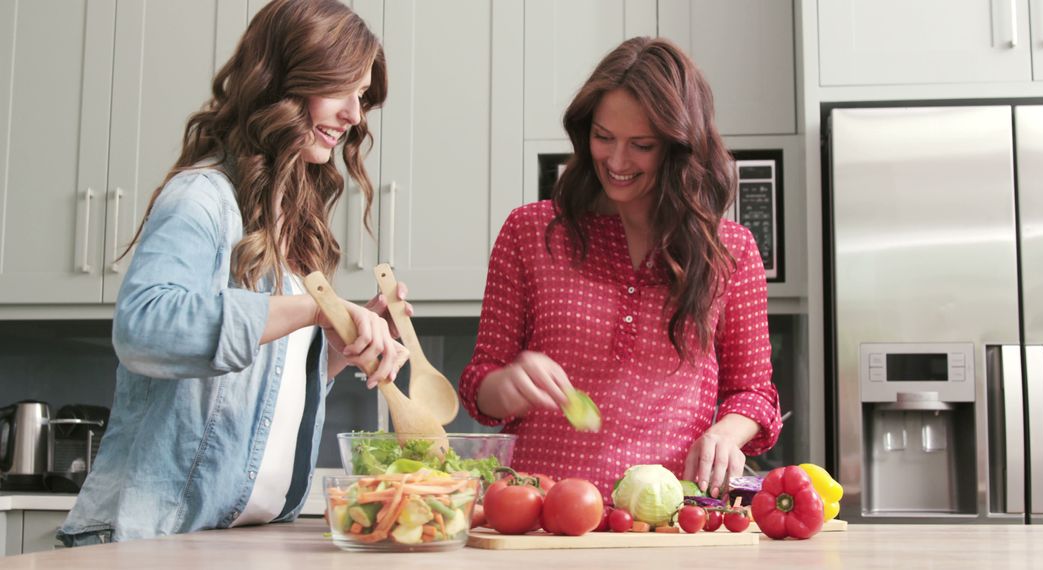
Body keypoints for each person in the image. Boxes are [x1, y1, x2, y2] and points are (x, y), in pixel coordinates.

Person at [59, 0, 407, 545]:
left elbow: (261, 386)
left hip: (236, 537)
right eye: (341, 89)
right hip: (152, 539)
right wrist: (314, 309)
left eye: (362, 97)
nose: (354, 115)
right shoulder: (201, 198)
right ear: (286, 80)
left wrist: (336, 347)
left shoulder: (285, 226)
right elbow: (143, 327)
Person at [460, 37, 781, 501]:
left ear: (679, 147)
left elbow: (753, 394)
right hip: (539, 512)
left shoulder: (730, 251)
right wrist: (504, 385)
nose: (616, 161)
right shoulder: (529, 231)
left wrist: (727, 434)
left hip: (667, 516)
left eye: (642, 145)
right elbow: (478, 385)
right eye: (603, 137)